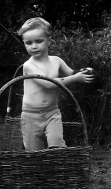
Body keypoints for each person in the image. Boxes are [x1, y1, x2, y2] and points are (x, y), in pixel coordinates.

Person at [18, 17, 94, 150]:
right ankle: (39, 170)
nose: (34, 46)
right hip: (30, 115)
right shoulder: (29, 65)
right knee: (34, 153)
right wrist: (76, 78)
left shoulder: (56, 61)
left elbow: (71, 73)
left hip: (52, 112)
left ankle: (59, 169)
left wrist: (83, 72)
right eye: (28, 43)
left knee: (57, 145)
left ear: (49, 41)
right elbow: (49, 84)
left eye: (39, 41)